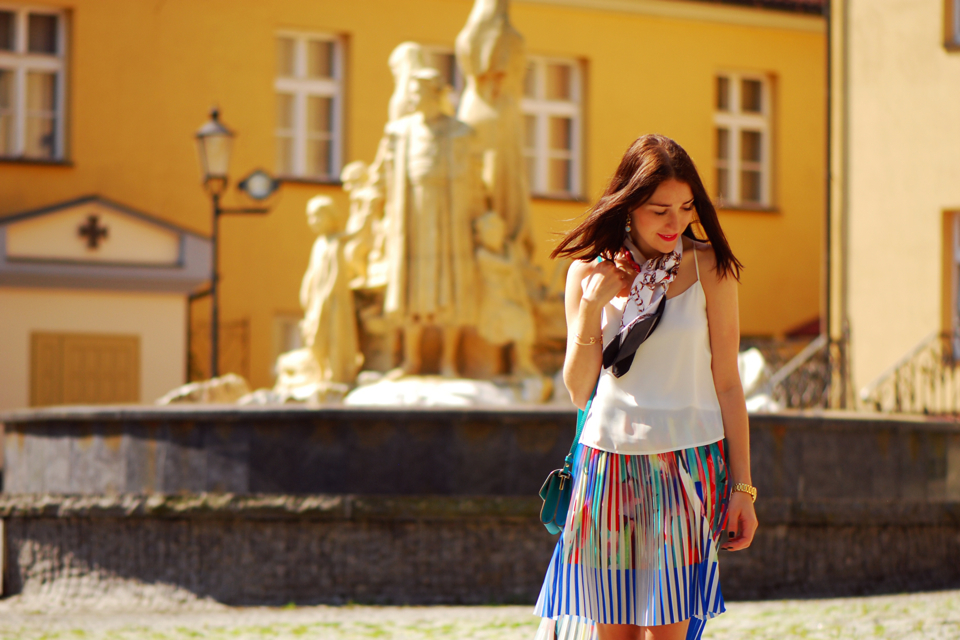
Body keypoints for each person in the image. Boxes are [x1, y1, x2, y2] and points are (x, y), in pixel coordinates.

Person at [533, 134, 758, 640]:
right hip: (606, 464)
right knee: (613, 634)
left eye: (684, 208)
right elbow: (577, 390)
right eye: (659, 210)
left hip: (687, 467)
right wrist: (592, 308)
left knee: (667, 635)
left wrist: (743, 488)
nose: (674, 222)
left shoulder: (711, 269)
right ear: (629, 204)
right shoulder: (587, 273)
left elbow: (728, 384)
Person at [381, 68, 481, 377]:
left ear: (435, 94)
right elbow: (386, 173)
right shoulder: (400, 131)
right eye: (411, 93)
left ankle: (449, 361)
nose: (412, 99)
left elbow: (474, 176)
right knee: (414, 287)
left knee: (449, 285)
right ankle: (412, 360)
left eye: (418, 93)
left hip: (449, 214)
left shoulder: (458, 131)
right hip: (412, 214)